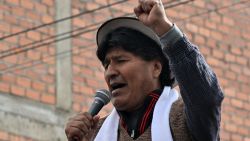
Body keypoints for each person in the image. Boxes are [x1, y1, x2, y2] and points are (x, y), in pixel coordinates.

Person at [65, 0, 224, 141]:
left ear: (156, 68)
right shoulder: (95, 132)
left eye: (121, 60)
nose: (110, 72)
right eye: (106, 65)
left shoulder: (183, 118)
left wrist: (165, 29)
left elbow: (206, 98)